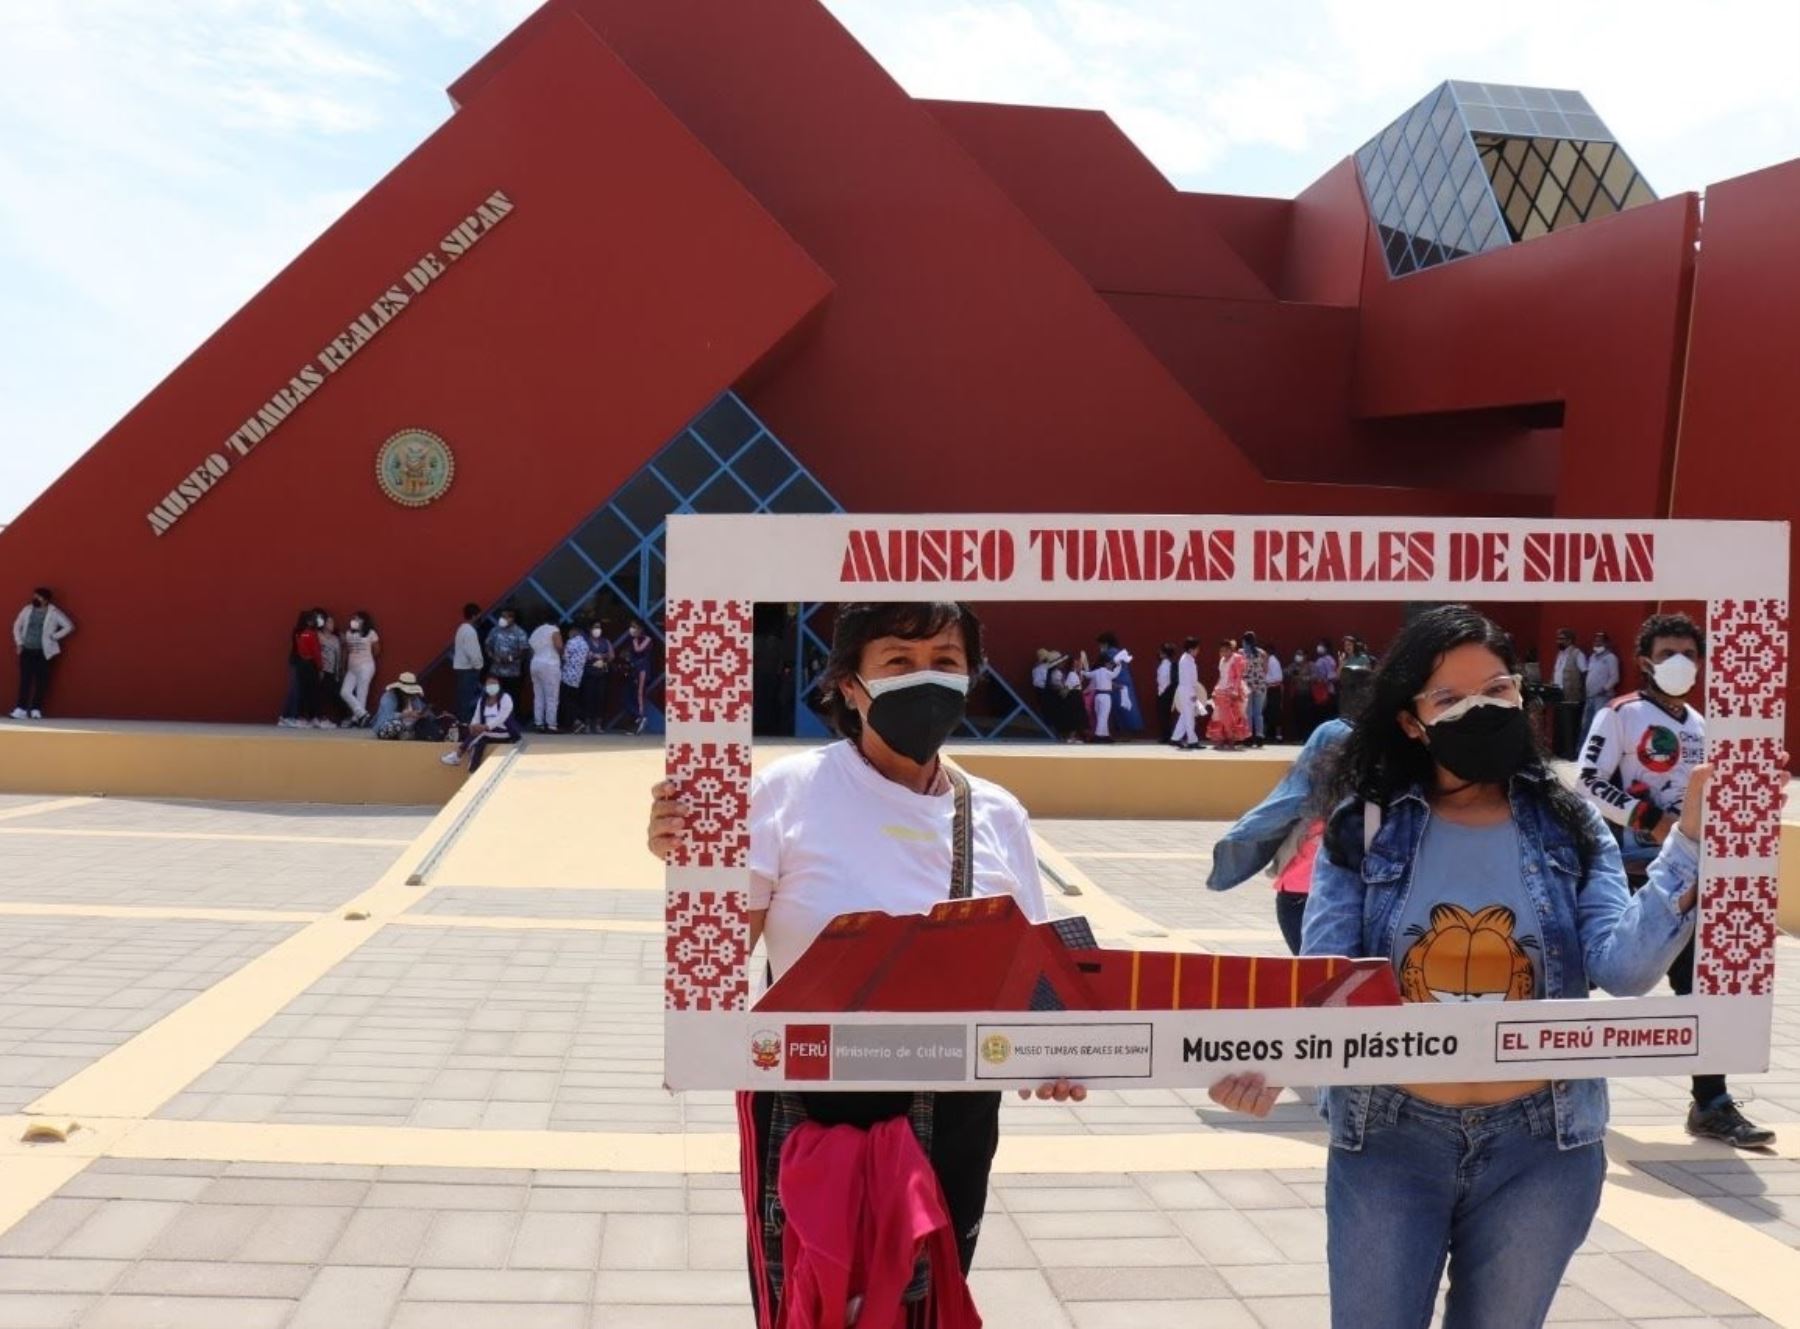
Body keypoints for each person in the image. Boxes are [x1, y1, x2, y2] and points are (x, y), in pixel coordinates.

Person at [1212, 605, 1703, 1329]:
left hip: (1545, 1144)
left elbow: (1624, 969)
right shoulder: (1367, 824)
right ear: (1411, 720)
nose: (1482, 708)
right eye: (1450, 697)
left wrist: (1688, 840)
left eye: (1498, 689)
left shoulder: (1569, 821)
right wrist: (1273, 1059)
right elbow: (1325, 971)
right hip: (1388, 1135)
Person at [646, 601, 1080, 1327]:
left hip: (956, 1115)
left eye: (945, 660)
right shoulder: (787, 794)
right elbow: (713, 968)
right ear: (850, 684)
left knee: (929, 1309)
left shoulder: (998, 813)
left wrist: (1061, 1051)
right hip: (816, 1114)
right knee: (812, 1310)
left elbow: (1041, 981)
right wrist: (690, 862)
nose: (927, 679)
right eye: (899, 662)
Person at [1576, 612, 1775, 1148]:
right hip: (1621, 871)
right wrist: (1650, 820)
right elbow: (1588, 782)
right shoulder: (1619, 715)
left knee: (1698, 985)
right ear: (1644, 661)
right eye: (1666, 654)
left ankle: (1710, 1102)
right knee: (1580, 973)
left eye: (1688, 653)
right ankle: (1529, 1077)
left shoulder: (1703, 726)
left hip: (1688, 877)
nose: (1678, 663)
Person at [1207, 665, 1372, 953]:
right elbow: (1289, 798)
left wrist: (1240, 837)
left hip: (1309, 892)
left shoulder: (1339, 744)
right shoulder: (1355, 748)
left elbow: (1288, 795)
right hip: (1313, 892)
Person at [10, 587, 74, 720]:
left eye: (38, 597)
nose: (35, 599)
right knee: (25, 680)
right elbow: (17, 625)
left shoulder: (54, 612)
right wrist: (19, 643)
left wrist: (54, 636)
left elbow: (69, 626)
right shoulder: (27, 610)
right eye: (34, 596)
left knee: (41, 682)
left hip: (44, 652)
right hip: (27, 650)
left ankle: (35, 709)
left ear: (46, 600)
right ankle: (20, 709)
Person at [442, 674, 522, 772]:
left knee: (481, 733)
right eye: (489, 684)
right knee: (478, 744)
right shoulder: (482, 700)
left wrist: (486, 727)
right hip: (487, 733)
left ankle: (458, 754)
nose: (491, 686)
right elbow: (477, 716)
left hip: (505, 731)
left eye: (494, 683)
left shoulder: (505, 698)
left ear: (499, 685)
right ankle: (472, 771)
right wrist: (473, 725)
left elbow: (501, 717)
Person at [278, 609, 325, 729]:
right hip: (302, 664)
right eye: (313, 619)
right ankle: (291, 717)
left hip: (298, 664)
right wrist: (320, 667)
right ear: (309, 621)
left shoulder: (298, 632)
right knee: (297, 691)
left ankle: (288, 717)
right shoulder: (307, 633)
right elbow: (315, 652)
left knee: (297, 691)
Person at [371, 672, 450, 741]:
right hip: (388, 725)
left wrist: (425, 714)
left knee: (425, 723)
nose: (410, 694)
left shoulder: (414, 697)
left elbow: (421, 710)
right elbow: (386, 715)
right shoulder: (389, 697)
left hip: (410, 727)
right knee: (396, 724)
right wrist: (407, 714)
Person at [1097, 632, 1144, 738]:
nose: (1099, 647)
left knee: (1119, 709)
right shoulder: (1119, 652)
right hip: (1124, 683)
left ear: (1105, 643)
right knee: (1127, 708)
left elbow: (1105, 669)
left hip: (1116, 683)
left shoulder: (1108, 654)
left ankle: (1123, 733)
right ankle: (1127, 733)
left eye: (1100, 644)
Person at [1551, 627, 1588, 760]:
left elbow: (1584, 673)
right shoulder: (1560, 654)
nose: (1558, 641)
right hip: (1558, 694)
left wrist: (1580, 692)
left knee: (1570, 726)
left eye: (1561, 639)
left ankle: (1570, 753)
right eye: (1558, 638)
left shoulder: (1578, 654)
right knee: (1560, 724)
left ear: (1570, 640)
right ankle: (1559, 751)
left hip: (1571, 696)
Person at [339, 611, 381, 727]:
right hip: (351, 668)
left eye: (358, 619)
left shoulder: (371, 633)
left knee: (361, 692)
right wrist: (343, 666)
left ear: (364, 621)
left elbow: (377, 650)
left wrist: (365, 658)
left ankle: (357, 719)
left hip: (366, 666)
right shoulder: (348, 633)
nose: (355, 621)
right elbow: (347, 650)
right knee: (345, 692)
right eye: (354, 619)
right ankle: (363, 715)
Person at [1207, 638, 1250, 748]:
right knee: (1219, 715)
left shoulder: (1237, 658)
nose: (1223, 653)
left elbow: (1238, 676)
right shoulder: (1222, 660)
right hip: (1221, 690)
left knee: (1232, 716)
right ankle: (1221, 739)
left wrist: (1235, 691)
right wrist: (1214, 690)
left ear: (1231, 650)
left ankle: (1231, 740)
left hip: (1232, 690)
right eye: (1221, 651)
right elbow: (1221, 676)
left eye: (1226, 650)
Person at [484, 607, 528, 708]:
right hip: (496, 673)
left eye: (505, 616)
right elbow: (487, 645)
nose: (502, 619)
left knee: (512, 701)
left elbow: (524, 651)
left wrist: (510, 659)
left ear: (512, 618)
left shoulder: (519, 632)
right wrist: (493, 657)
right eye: (501, 616)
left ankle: (511, 722)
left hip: (512, 674)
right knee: (493, 699)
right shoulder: (495, 630)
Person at [527, 616, 564, 734]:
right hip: (549, 664)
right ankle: (551, 725)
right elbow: (558, 645)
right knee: (552, 696)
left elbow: (531, 650)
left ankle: (539, 724)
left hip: (535, 664)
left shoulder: (535, 632)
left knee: (538, 695)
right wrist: (562, 654)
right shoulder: (553, 629)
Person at [1581, 630, 1620, 739]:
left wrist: (1604, 689)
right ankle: (1580, 751)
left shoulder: (1611, 658)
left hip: (1602, 697)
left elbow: (1614, 677)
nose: (1597, 644)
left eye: (1600, 642)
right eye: (1595, 641)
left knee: (1598, 725)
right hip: (1590, 696)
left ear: (1606, 644)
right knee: (1586, 725)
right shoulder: (1592, 657)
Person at [1170, 637, 1205, 751]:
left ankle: (1176, 738)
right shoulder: (1187, 660)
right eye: (1197, 648)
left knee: (1185, 715)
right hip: (1187, 690)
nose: (1198, 651)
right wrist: (1193, 693)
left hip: (1185, 690)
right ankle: (1192, 741)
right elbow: (1190, 680)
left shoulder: (1186, 659)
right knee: (1189, 716)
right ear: (1191, 649)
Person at [580, 622, 614, 734]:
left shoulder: (605, 641)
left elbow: (611, 655)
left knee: (600, 699)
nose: (597, 630)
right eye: (595, 627)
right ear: (590, 629)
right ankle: (587, 724)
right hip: (589, 674)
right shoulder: (585, 641)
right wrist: (592, 656)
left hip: (601, 674)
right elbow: (581, 655)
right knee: (588, 699)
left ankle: (598, 725)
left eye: (599, 628)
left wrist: (603, 657)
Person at [453, 603, 485, 722]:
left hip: (461, 670)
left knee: (461, 700)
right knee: (467, 701)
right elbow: (473, 652)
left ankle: (461, 723)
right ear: (474, 616)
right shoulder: (470, 631)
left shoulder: (461, 629)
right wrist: (479, 666)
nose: (480, 617)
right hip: (468, 670)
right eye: (479, 615)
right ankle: (466, 725)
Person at [623, 620, 656, 734]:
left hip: (642, 671)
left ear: (641, 629)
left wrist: (635, 640)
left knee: (639, 694)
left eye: (635, 627)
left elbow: (638, 650)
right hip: (633, 671)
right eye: (631, 626)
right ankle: (637, 719)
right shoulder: (632, 640)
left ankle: (641, 717)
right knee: (628, 696)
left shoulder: (647, 639)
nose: (632, 629)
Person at [560, 620, 591, 733]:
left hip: (567, 676)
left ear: (574, 631)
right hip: (578, 677)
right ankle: (579, 722)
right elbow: (587, 658)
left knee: (566, 702)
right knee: (573, 700)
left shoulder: (571, 642)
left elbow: (565, 657)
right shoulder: (585, 644)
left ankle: (575, 723)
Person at [1241, 630, 1269, 748]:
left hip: (1247, 685)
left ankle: (1248, 736)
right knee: (1258, 713)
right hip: (1260, 685)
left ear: (1244, 641)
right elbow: (1266, 670)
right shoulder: (1262, 653)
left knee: (1248, 712)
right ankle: (1260, 736)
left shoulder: (1241, 653)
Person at [1084, 646, 1118, 742]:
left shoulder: (1095, 672)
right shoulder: (1108, 673)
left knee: (1100, 716)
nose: (1111, 666)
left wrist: (1081, 671)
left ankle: (1106, 735)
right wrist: (1119, 665)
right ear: (1106, 663)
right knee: (1103, 716)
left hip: (1097, 696)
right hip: (1106, 696)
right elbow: (1115, 674)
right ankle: (1098, 736)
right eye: (1110, 664)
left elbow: (1087, 674)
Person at [316, 613, 344, 727]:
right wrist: (319, 669)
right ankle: (319, 718)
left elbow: (339, 655)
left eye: (333, 622)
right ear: (323, 624)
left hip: (333, 671)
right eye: (329, 622)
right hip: (322, 670)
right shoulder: (318, 636)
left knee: (335, 694)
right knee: (321, 694)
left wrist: (339, 671)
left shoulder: (336, 639)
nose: (332, 624)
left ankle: (342, 718)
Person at [1311, 638, 1340, 725]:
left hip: (1326, 692)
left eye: (1322, 646)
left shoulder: (1329, 660)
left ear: (1327, 648)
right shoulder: (1320, 659)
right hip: (1318, 692)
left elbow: (1332, 676)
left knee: (1325, 717)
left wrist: (1322, 680)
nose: (1319, 647)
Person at [1154, 642, 1178, 743]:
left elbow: (1163, 680)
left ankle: (1166, 736)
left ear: (1165, 653)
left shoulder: (1165, 665)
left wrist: (1162, 691)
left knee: (1164, 716)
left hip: (1165, 692)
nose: (1159, 653)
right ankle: (1166, 735)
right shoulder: (1169, 664)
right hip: (1167, 691)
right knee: (1166, 716)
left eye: (1161, 652)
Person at [1262, 645, 1285, 742]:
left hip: (1274, 689)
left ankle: (1278, 736)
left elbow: (1278, 678)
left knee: (1275, 712)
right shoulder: (1267, 661)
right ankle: (1264, 734)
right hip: (1267, 689)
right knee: (1266, 712)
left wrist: (1265, 681)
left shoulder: (1273, 661)